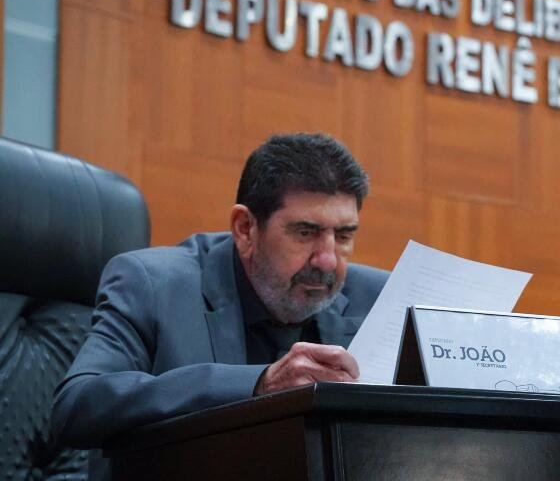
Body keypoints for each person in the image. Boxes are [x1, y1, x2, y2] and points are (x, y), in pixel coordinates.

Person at [51, 133, 388, 470]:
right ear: (245, 228)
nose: (327, 260)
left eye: (344, 236)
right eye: (305, 233)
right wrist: (258, 384)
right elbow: (77, 407)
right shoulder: (152, 285)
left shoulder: (378, 298)